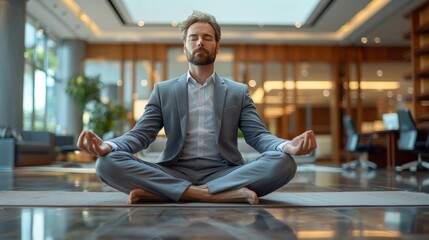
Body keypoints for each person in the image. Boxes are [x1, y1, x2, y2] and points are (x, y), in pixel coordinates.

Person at [77, 10, 317, 204]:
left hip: (225, 172)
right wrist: (107, 145)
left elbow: (258, 136)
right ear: (185, 47)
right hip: (173, 170)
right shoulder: (164, 90)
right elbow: (142, 134)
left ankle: (162, 193)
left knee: (283, 162)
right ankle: (214, 195)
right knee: (107, 163)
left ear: (217, 46)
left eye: (207, 37)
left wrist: (287, 145)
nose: (200, 42)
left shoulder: (237, 91)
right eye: (194, 37)